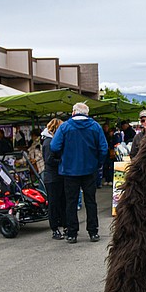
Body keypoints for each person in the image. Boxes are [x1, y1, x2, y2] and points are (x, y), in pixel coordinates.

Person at [50, 102, 108, 243]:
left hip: (70, 171)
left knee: (71, 202)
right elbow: (103, 148)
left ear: (73, 112)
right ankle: (93, 232)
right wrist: (97, 163)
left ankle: (72, 233)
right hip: (90, 170)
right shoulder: (95, 126)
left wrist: (63, 157)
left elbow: (54, 146)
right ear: (87, 113)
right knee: (91, 202)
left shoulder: (65, 127)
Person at [41, 118, 66, 240]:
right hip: (52, 177)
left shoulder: (51, 141)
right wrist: (62, 161)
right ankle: (54, 228)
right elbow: (49, 160)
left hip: (58, 176)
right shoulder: (48, 142)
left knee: (61, 202)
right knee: (54, 204)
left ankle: (62, 225)